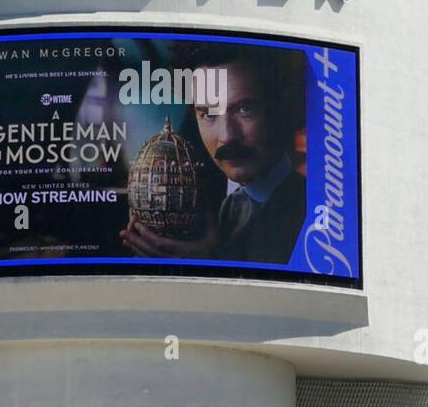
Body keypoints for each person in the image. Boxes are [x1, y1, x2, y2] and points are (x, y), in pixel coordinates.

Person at [120, 43, 307, 264]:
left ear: (278, 108)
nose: (227, 136)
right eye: (208, 114)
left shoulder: (311, 211)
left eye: (244, 109)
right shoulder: (185, 192)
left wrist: (215, 265)